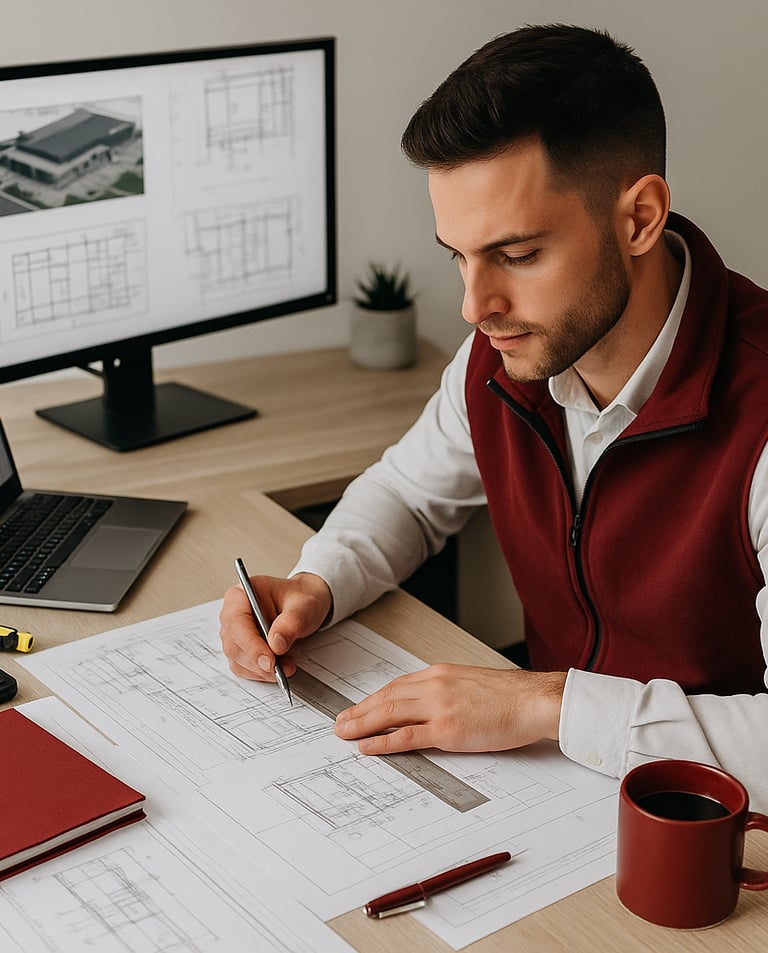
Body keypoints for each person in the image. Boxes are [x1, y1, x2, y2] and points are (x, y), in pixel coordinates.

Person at [219, 24, 768, 810]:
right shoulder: (506, 354)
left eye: (516, 255)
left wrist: (542, 704)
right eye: (458, 255)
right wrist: (317, 581)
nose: (476, 306)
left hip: (715, 831)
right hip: (556, 787)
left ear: (640, 218)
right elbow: (409, 494)